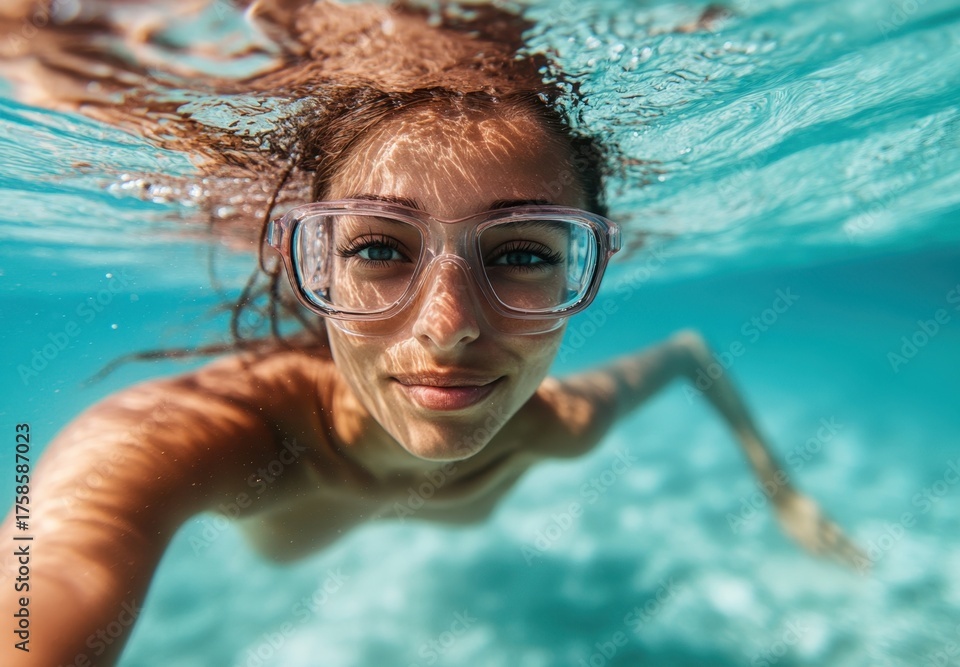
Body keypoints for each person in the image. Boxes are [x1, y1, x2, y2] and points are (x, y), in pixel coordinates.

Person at [0, 1, 859, 665]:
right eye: (378, 246)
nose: (447, 329)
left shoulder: (559, 423)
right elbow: (59, 562)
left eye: (522, 252)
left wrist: (780, 488)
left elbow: (688, 354)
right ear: (316, 261)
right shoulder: (216, 435)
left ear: (588, 270)